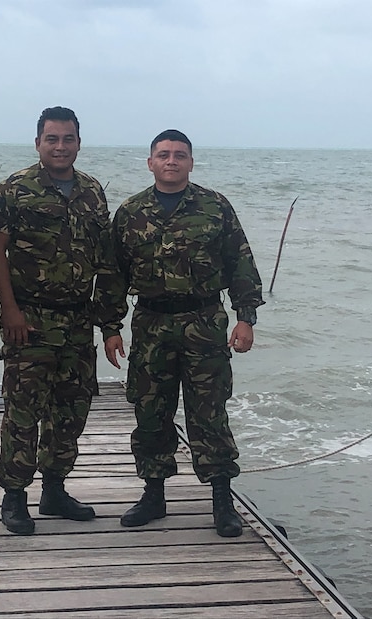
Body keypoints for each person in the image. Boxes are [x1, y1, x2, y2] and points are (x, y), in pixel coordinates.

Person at [93, 129, 264, 538]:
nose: (172, 161)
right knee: (151, 412)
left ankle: (222, 502)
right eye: (164, 155)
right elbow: (113, 273)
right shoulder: (131, 212)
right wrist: (111, 328)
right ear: (150, 162)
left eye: (180, 155)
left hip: (204, 322)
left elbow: (240, 262)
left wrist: (245, 317)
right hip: (151, 324)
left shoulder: (214, 207)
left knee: (210, 412)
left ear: (191, 162)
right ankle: (153, 495)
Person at [0, 106, 113, 535]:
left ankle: (54, 490)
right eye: (52, 139)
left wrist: (107, 321)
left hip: (78, 322)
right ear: (38, 143)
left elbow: (104, 260)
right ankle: (15, 495)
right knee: (23, 411)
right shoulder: (13, 191)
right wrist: (9, 309)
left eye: (68, 139)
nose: (60, 147)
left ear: (79, 142)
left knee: (71, 410)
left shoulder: (93, 192)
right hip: (31, 319)